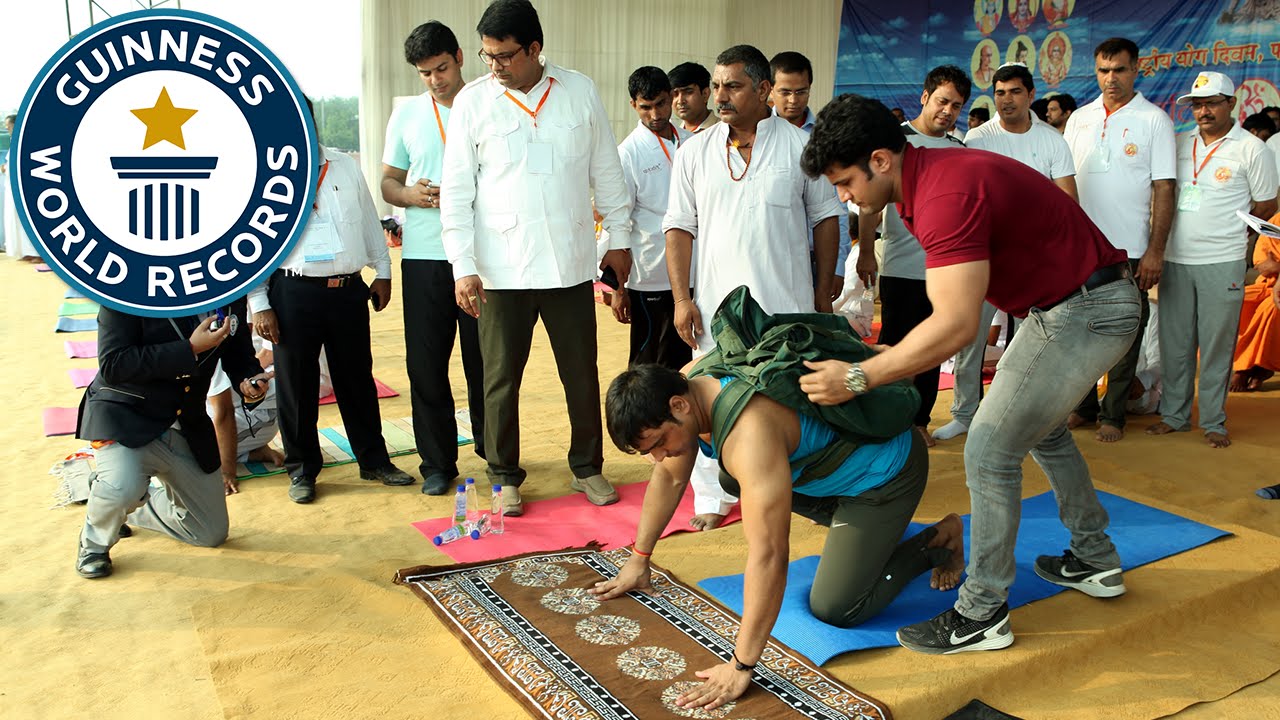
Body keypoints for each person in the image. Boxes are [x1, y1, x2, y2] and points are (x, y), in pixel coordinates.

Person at [800, 94, 1141, 654]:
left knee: (988, 451)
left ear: (881, 160)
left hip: (1087, 310)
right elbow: (951, 310)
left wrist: (859, 378)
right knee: (1041, 427)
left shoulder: (944, 195)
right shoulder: (926, 180)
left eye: (846, 183)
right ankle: (1095, 559)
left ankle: (982, 612)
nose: (844, 197)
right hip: (1067, 304)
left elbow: (956, 326)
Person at [592, 363, 963, 709]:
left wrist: (741, 665)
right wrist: (639, 559)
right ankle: (858, 533)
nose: (659, 456)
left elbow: (769, 554)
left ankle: (938, 540)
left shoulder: (748, 436)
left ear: (679, 406)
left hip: (885, 477)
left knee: (838, 608)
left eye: (659, 443)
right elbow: (671, 476)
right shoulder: (689, 381)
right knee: (730, 476)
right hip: (829, 469)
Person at [441, 0, 633, 515]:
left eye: (504, 56)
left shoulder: (579, 91)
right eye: (487, 56)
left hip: (570, 265)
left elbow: (607, 171)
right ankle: (504, 476)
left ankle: (587, 467)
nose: (495, 66)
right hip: (499, 269)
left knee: (580, 371)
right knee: (500, 377)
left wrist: (619, 237)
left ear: (534, 49)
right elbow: (458, 193)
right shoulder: (473, 104)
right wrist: (463, 266)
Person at [663, 44, 843, 530]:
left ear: (764, 90)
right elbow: (679, 227)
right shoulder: (694, 150)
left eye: (733, 86)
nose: (720, 96)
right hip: (715, 305)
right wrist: (682, 299)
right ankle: (711, 497)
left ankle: (801, 485)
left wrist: (823, 294)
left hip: (785, 305)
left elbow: (828, 219)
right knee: (707, 395)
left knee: (788, 398)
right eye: (717, 85)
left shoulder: (802, 147)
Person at [250, 97, 413, 504]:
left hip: (347, 290)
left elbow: (368, 219)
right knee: (296, 386)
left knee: (357, 379)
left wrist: (384, 271)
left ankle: (374, 460)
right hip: (292, 292)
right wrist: (258, 303)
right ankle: (302, 470)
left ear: (312, 120)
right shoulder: (263, 172)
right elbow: (252, 243)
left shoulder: (343, 165)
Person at [934, 62, 1077, 442]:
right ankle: (966, 412)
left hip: (1034, 260)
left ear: (1031, 95)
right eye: (999, 92)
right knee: (969, 336)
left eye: (1015, 92)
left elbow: (1068, 204)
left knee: (1037, 343)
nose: (1006, 99)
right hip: (983, 256)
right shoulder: (978, 139)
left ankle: (1031, 416)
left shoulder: (1052, 141)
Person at [74, 302, 271, 578]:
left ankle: (121, 506)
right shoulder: (126, 291)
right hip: (127, 417)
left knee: (209, 532)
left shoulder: (229, 287)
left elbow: (239, 355)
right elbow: (113, 364)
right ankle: (93, 543)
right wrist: (189, 349)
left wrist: (249, 384)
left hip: (187, 424)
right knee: (122, 488)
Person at [380, 21, 486, 495]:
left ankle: (496, 453)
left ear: (460, 57)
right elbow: (387, 183)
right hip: (424, 255)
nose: (435, 80)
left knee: (487, 360)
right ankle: (438, 464)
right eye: (424, 73)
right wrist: (409, 195)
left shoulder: (488, 102)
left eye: (441, 68)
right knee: (426, 365)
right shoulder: (405, 116)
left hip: (484, 255)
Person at [1149, 72, 1278, 448]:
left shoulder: (1251, 149)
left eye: (1212, 103)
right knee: (1175, 342)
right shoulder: (1176, 143)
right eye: (1197, 104)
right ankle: (1173, 415)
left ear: (1231, 104)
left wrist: (1236, 239)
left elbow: (1267, 205)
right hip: (1175, 258)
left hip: (1223, 260)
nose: (1203, 111)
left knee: (1218, 343)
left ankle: (1213, 421)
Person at [1063, 37, 1177, 443]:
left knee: (1126, 334)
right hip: (1080, 250)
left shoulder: (1154, 120)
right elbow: (1066, 184)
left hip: (1129, 250)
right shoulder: (1079, 118)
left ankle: (1114, 414)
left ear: (1136, 70)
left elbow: (1164, 188)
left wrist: (1155, 251)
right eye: (1103, 71)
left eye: (1120, 70)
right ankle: (1083, 406)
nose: (1111, 79)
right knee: (1080, 332)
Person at [857, 65, 970, 447]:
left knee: (932, 349)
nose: (947, 111)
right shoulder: (894, 142)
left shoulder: (958, 150)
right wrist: (867, 253)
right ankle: (884, 419)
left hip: (943, 271)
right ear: (924, 97)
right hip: (900, 267)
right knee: (893, 345)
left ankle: (919, 421)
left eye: (956, 106)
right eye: (942, 101)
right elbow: (870, 203)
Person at [610, 66, 693, 370]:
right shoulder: (628, 153)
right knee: (649, 360)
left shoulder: (693, 143)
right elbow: (618, 220)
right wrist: (619, 289)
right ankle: (641, 418)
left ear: (672, 98)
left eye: (660, 103)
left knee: (686, 355)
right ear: (633, 105)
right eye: (645, 107)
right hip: (650, 274)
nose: (655, 114)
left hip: (694, 270)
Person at [769, 50, 852, 300]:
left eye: (801, 91)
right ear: (769, 89)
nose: (793, 100)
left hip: (815, 260)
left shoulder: (826, 136)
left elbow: (839, 206)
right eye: (785, 92)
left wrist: (837, 266)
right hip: (771, 258)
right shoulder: (756, 135)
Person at [207, 342, 282, 496]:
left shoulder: (206, 352)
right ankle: (250, 452)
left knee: (191, 457)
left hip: (265, 415)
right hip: (240, 413)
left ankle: (246, 449)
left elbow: (223, 412)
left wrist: (226, 471)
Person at [1231, 215, 1280, 392]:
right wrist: (1273, 268)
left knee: (1271, 309)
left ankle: (1250, 368)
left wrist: (1278, 267)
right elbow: (1262, 263)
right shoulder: (1276, 221)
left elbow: (1273, 265)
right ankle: (1251, 364)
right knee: (1233, 303)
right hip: (1267, 285)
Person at [668, 61, 718, 134]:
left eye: (688, 92)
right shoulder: (673, 135)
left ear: (705, 94)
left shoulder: (724, 132)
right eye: (675, 94)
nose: (680, 101)